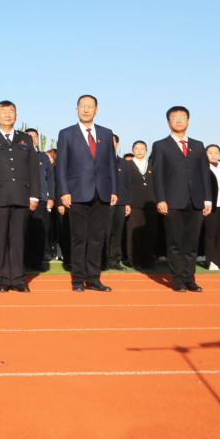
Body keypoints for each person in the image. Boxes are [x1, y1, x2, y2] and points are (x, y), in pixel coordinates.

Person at [55, 95, 117, 292]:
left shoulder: (106, 133)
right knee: (79, 239)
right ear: (77, 109)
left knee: (97, 239)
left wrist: (114, 190)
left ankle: (93, 279)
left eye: (90, 107)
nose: (86, 110)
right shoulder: (66, 134)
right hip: (77, 193)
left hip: (102, 193)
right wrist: (64, 191)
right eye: (82, 106)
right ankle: (77, 280)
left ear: (96, 110)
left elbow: (111, 164)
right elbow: (61, 166)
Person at [0, 101, 38, 293]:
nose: (8, 115)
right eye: (3, 112)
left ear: (16, 115)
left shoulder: (25, 139)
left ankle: (18, 279)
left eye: (11, 111)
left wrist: (35, 195)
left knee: (18, 240)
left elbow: (33, 169)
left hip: (21, 196)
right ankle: (2, 280)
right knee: (0, 240)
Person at [150, 105, 211, 292]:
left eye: (182, 117)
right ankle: (177, 280)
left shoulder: (198, 145)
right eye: (174, 117)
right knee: (175, 243)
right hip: (172, 201)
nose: (178, 120)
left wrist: (207, 199)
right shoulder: (160, 145)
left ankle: (189, 278)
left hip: (196, 201)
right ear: (168, 122)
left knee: (192, 244)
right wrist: (161, 199)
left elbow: (204, 173)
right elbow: (157, 175)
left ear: (188, 121)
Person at [24, 128, 55, 272]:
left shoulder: (44, 157)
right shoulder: (19, 155)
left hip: (41, 200)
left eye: (34, 136)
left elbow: (51, 179)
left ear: (38, 139)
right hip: (23, 200)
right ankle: (24, 262)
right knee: (24, 232)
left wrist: (51, 197)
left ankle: (37, 262)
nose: (32, 139)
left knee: (39, 232)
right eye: (28, 136)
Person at [124, 141, 158, 269]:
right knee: (134, 233)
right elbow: (124, 185)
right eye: (136, 148)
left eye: (142, 148)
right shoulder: (127, 165)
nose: (139, 151)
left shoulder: (152, 165)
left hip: (151, 204)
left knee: (150, 233)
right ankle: (134, 260)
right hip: (134, 204)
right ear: (133, 150)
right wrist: (127, 202)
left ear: (146, 150)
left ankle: (148, 260)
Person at [104, 135, 131, 271]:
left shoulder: (124, 163)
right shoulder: (100, 161)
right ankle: (102, 260)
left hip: (121, 203)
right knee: (104, 232)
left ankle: (114, 261)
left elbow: (128, 185)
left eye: (113, 142)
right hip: (105, 202)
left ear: (117, 144)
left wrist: (128, 203)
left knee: (117, 232)